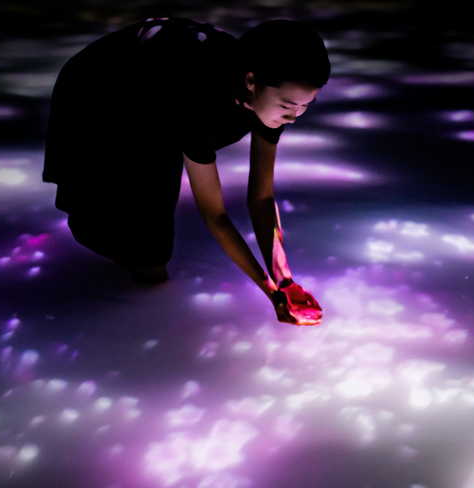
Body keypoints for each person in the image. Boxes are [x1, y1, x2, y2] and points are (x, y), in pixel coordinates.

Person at [42, 17, 327, 325]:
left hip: (163, 90)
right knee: (148, 247)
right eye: (287, 107)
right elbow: (214, 215)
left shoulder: (269, 96)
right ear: (250, 81)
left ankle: (131, 257)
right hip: (103, 90)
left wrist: (284, 278)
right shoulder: (203, 102)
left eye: (304, 107)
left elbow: (261, 197)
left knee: (145, 236)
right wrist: (271, 292)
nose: (294, 117)